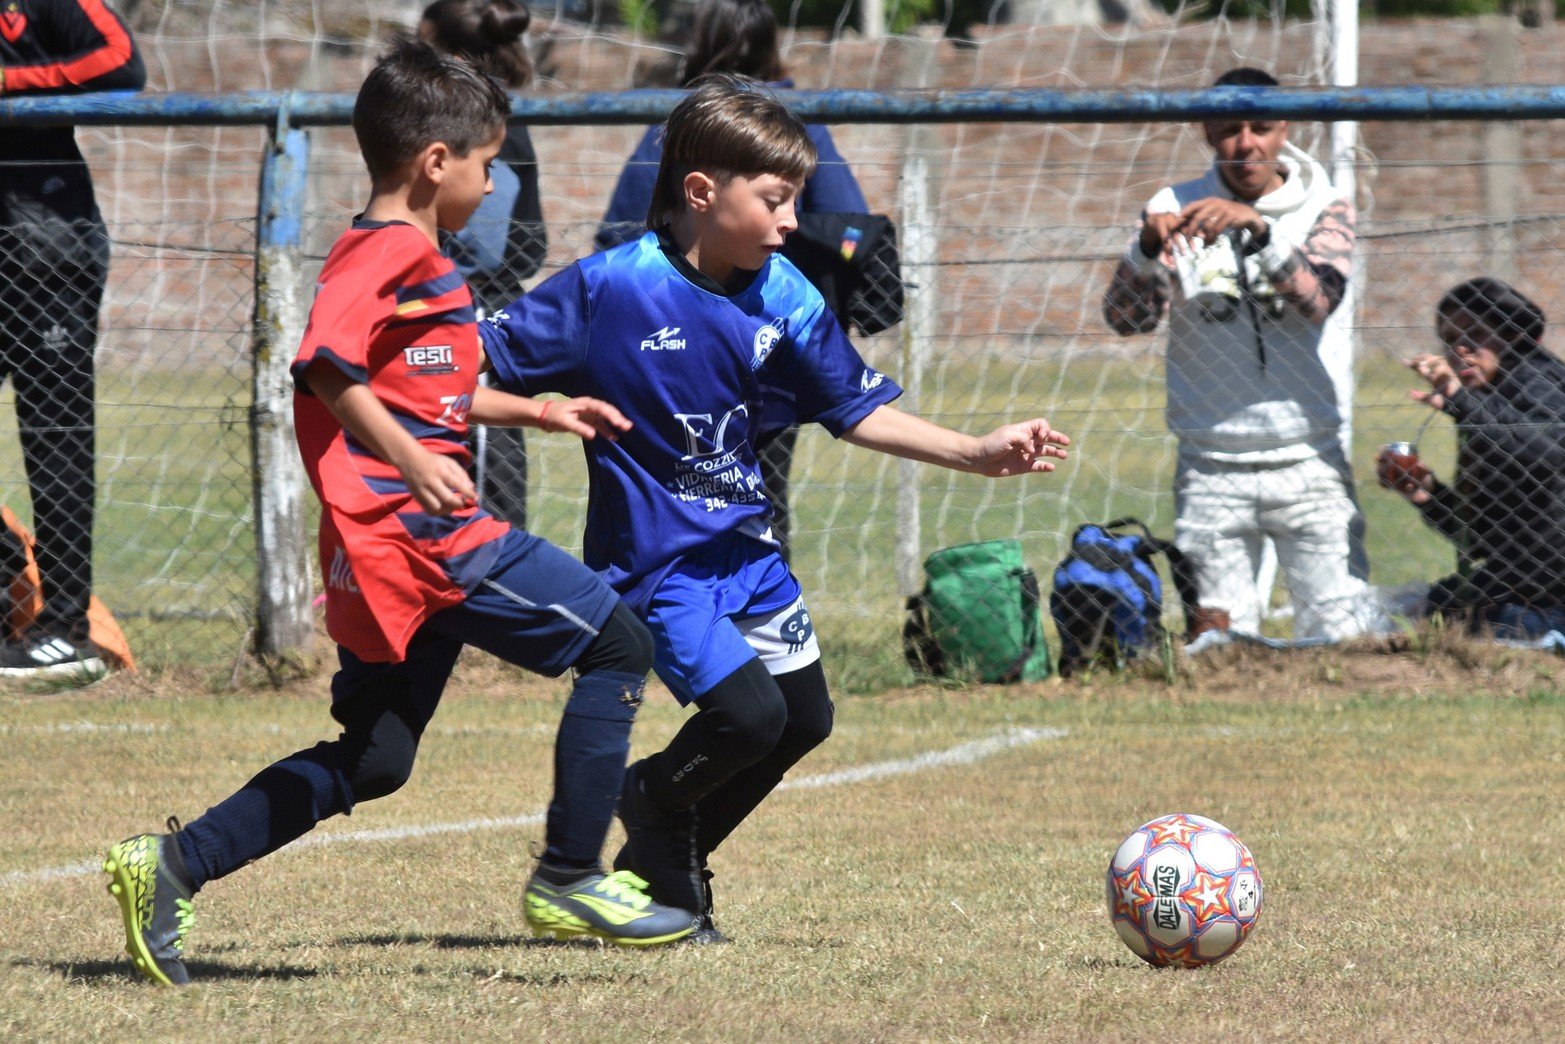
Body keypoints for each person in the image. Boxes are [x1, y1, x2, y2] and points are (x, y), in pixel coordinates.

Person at [102, 40, 697, 988]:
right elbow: (326, 367)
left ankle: (173, 865)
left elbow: (422, 389)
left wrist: (537, 408)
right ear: (435, 162)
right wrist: (417, 463)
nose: (495, 181)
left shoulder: (416, 258)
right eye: (488, 163)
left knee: (375, 758)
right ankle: (572, 874)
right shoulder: (384, 253)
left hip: (387, 546)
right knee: (618, 645)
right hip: (421, 536)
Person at [481, 74, 1071, 941]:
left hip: (747, 555)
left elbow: (853, 407)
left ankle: (656, 851)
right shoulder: (609, 291)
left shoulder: (785, 292)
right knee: (745, 717)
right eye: (774, 199)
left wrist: (974, 453)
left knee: (801, 721)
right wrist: (476, 413)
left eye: (793, 198)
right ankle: (655, 808)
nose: (793, 220)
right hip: (659, 565)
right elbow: (467, 363)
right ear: (700, 193)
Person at [1101, 66, 1384, 642]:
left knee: (1342, 634)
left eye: (1261, 126)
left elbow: (1319, 300)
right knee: (1220, 642)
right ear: (1206, 131)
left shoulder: (1328, 205)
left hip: (1309, 456)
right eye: (1230, 128)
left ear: (1285, 129)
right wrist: (1145, 250)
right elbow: (1126, 320)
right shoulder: (1172, 203)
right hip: (1211, 462)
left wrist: (1259, 232)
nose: (1246, 143)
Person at [593, 0, 872, 560]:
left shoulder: (679, 127)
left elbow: (617, 236)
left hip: (664, 357)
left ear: (700, 41)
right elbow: (856, 229)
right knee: (762, 490)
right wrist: (819, 257)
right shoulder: (796, 120)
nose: (784, 216)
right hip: (765, 358)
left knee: (658, 492)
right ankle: (760, 627)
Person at [0, 0, 144, 678]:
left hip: (47, 249)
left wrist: (11, 87)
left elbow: (122, 62)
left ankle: (63, 629)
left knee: (55, 434)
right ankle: (8, 580)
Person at [1378, 278, 1565, 638]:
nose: (1460, 349)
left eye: (1475, 334)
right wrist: (1425, 493)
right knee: (1427, 610)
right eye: (1449, 340)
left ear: (1511, 334)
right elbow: (1483, 539)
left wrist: (1460, 401)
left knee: (1492, 623)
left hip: (1550, 587)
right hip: (1525, 580)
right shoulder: (1487, 402)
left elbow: (1547, 451)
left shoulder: (1540, 380)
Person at [420, 0, 545, 531]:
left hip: (476, 311)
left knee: (487, 451)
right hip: (449, 304)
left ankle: (496, 561)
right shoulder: (450, 124)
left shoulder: (488, 132)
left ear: (451, 57)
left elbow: (516, 245)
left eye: (423, 49)